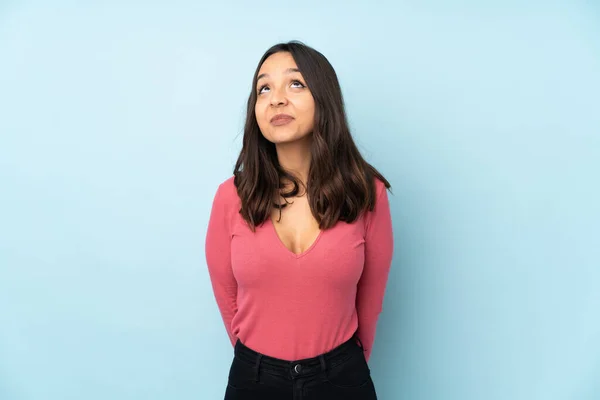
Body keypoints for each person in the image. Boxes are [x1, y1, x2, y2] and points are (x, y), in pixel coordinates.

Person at [205, 40, 394, 400]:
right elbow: (227, 298)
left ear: (324, 98)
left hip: (341, 377)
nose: (276, 98)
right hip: (254, 379)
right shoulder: (231, 197)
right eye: (264, 88)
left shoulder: (368, 193)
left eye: (295, 83)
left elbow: (370, 301)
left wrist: (344, 369)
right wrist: (258, 364)